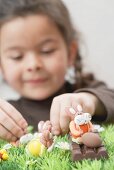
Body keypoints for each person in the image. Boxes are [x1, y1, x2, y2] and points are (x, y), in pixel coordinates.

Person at [0, 0, 114, 142]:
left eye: (46, 51)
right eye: (17, 56)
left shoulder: (90, 91)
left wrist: (89, 101)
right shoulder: (6, 115)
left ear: (70, 53)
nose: (33, 64)